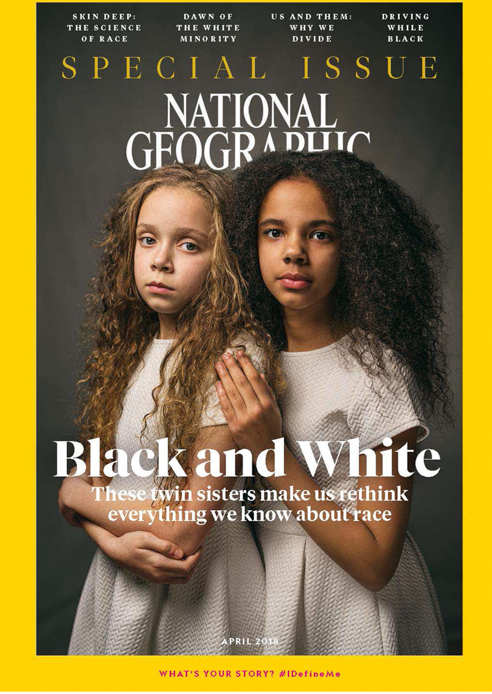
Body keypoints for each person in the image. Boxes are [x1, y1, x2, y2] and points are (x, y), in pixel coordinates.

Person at [218, 150, 448, 655]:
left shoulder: (377, 373)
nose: (294, 251)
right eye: (273, 232)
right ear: (248, 243)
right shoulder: (244, 357)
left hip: (354, 610)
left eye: (320, 234)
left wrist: (269, 451)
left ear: (356, 249)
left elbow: (376, 564)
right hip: (264, 588)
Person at [59, 164, 280, 654]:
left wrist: (73, 496)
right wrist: (113, 543)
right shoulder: (127, 350)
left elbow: (183, 527)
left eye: (188, 244)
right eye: (147, 239)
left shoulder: (235, 356)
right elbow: (98, 481)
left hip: (204, 591)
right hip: (121, 574)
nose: (160, 261)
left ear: (224, 260)